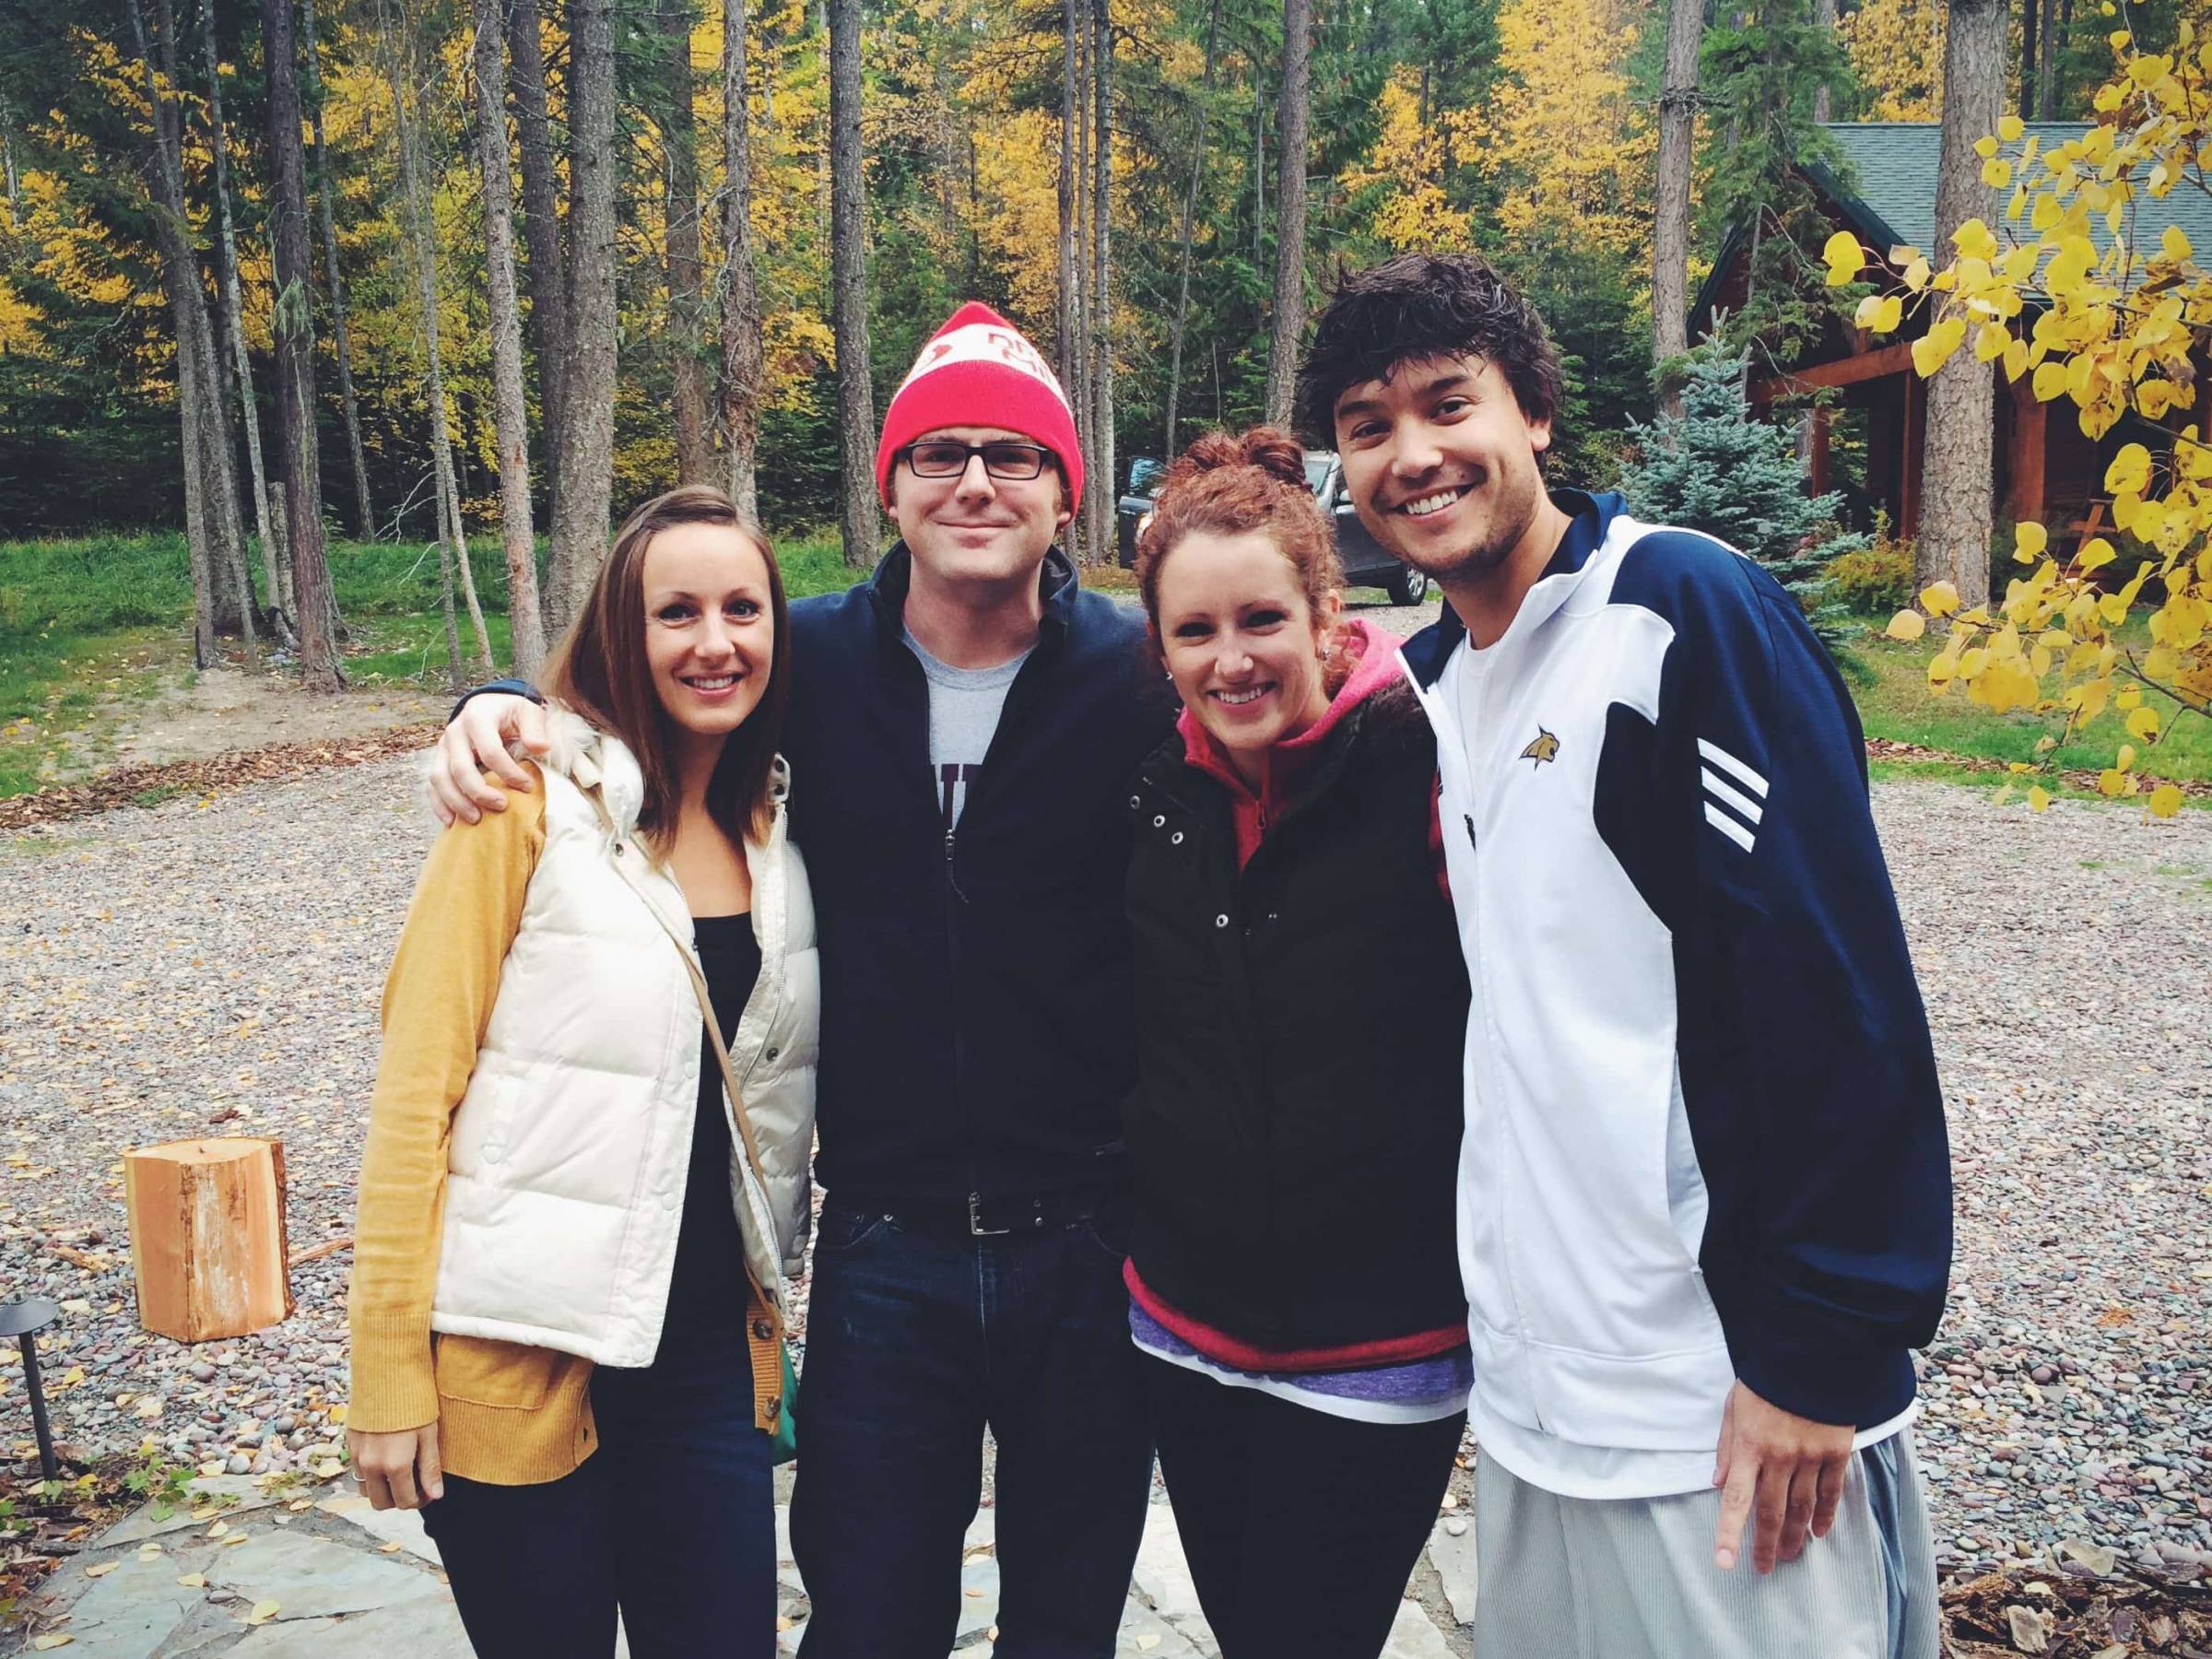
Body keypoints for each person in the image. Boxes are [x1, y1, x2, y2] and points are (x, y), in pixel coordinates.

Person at [425, 304, 1166, 1659]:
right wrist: (489, 701)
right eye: (939, 453)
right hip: (885, 1246)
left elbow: (1286, 689)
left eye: (1016, 455)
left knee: (1067, 1621)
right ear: (889, 487)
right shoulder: (805, 659)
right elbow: (631, 703)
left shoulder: (1138, 673)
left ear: (1068, 490)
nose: (977, 483)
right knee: (869, 1621)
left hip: (1088, 1242)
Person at [1294, 252, 1953, 1659]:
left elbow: (1837, 994)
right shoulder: (1444, 686)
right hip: (1542, 1410)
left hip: (1728, 1414)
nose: (1412, 454)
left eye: (1446, 403)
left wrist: (1819, 1357)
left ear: (1531, 411)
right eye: (1367, 425)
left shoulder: (1676, 615)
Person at [346, 485, 818, 1659]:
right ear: (623, 630)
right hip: (519, 1354)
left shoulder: (783, 828)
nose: (715, 642)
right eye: (677, 612)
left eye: (743, 608)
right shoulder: (520, 804)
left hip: (707, 1354)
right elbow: (415, 1097)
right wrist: (388, 1372)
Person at [1121, 429, 1472, 1655]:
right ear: (1158, 649)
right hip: (1185, 1328)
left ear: (1330, 615)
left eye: (1261, 620)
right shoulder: (1150, 786)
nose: (1232, 662)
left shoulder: (1434, 764)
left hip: (1381, 1341)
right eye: (1195, 633)